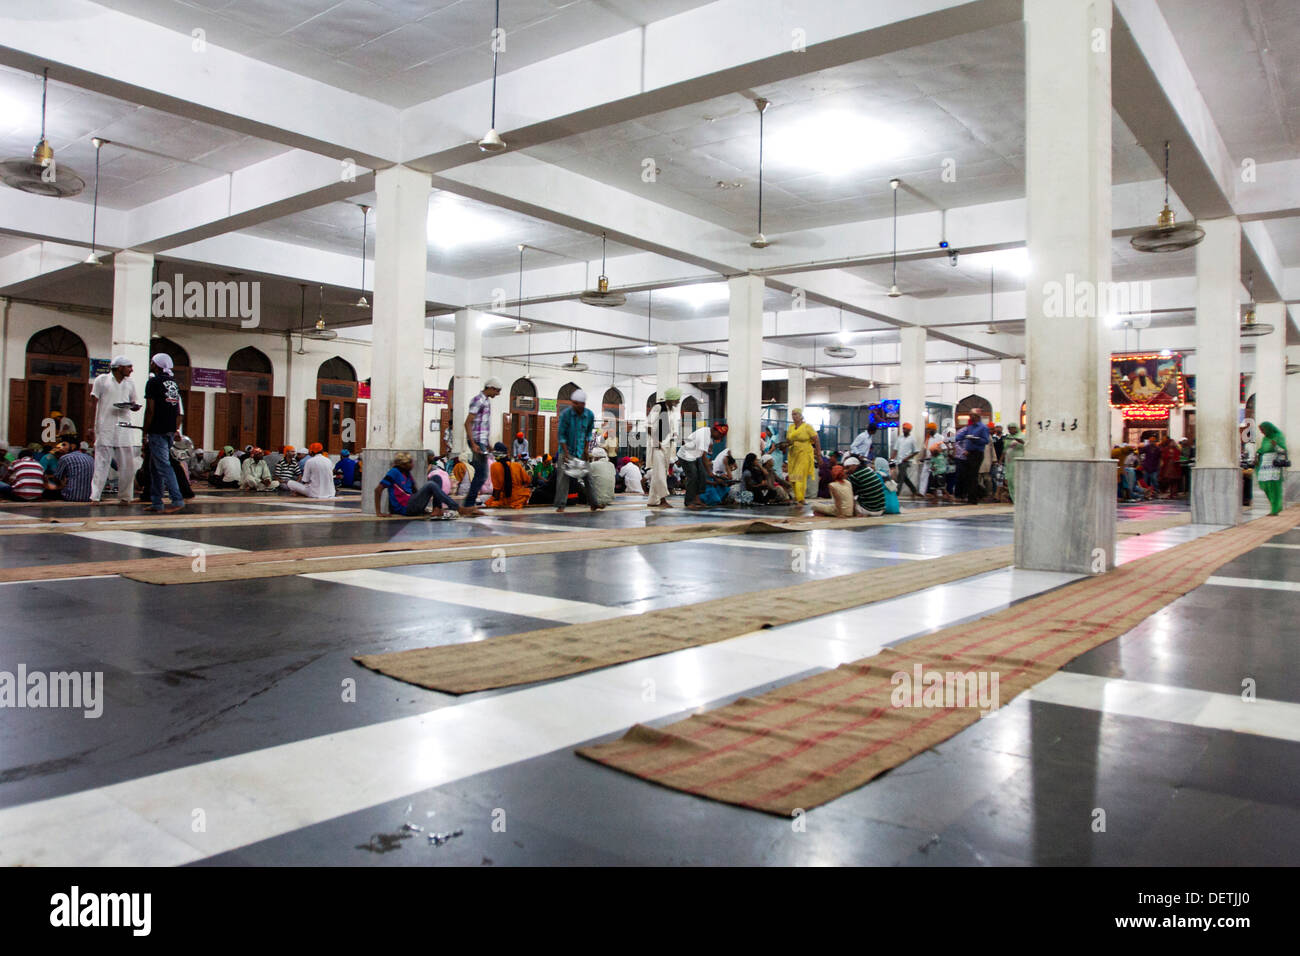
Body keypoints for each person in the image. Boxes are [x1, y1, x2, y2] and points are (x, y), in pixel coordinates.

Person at [87, 355, 141, 505]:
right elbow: (93, 403)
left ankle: (125, 496)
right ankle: (95, 496)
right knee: (101, 463)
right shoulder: (102, 380)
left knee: (128, 465)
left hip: (124, 427)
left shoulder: (130, 383)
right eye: (129, 366)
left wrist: (134, 407)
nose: (131, 370)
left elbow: (133, 403)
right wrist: (91, 426)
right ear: (119, 368)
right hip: (105, 426)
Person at [376, 451, 481, 518]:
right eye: (410, 463)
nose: (412, 465)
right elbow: (378, 490)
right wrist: (379, 512)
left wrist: (421, 502)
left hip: (412, 504)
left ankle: (437, 508)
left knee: (436, 478)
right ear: (403, 464)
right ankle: (458, 508)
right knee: (430, 484)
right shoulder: (394, 472)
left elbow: (415, 491)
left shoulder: (406, 473)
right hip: (404, 508)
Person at [142, 352, 186, 514]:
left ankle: (177, 500)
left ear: (156, 365)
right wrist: (175, 429)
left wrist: (144, 432)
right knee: (155, 467)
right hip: (169, 429)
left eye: (152, 362)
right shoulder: (173, 383)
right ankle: (156, 501)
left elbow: (150, 410)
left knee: (163, 466)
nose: (151, 364)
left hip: (157, 430)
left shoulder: (153, 382)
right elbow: (178, 409)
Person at [554, 388, 600, 513]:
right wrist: (566, 454)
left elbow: (588, 434)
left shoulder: (589, 415)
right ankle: (561, 505)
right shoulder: (566, 415)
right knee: (563, 478)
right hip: (566, 450)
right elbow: (561, 435)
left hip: (581, 451)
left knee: (588, 477)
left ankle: (594, 503)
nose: (573, 405)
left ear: (583, 404)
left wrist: (586, 450)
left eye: (576, 403)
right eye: (572, 402)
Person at [463, 377, 502, 507]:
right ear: (490, 388)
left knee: (481, 473)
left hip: (481, 441)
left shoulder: (486, 401)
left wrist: (488, 443)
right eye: (497, 391)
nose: (498, 394)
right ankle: (469, 504)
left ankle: (470, 502)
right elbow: (468, 423)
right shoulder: (478, 400)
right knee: (482, 473)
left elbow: (483, 424)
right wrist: (473, 443)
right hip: (477, 441)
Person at [677, 422, 728, 510]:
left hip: (695, 456)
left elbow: (704, 457)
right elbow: (704, 457)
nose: (720, 438)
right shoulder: (705, 436)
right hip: (686, 456)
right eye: (720, 435)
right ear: (716, 431)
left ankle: (697, 499)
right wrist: (710, 473)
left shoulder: (709, 435)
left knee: (702, 476)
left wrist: (710, 473)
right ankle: (688, 502)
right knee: (693, 477)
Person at [646, 387, 681, 507]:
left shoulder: (671, 411)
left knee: (660, 473)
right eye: (677, 399)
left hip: (668, 445)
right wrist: (656, 441)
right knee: (660, 473)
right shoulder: (658, 407)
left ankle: (652, 500)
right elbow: (648, 425)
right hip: (658, 444)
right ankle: (662, 500)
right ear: (671, 399)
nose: (678, 401)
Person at [785, 408, 821, 505]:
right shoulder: (791, 427)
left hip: (804, 453)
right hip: (793, 454)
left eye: (796, 414)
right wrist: (784, 445)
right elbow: (788, 441)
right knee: (793, 477)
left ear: (801, 416)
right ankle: (797, 497)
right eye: (792, 414)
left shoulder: (807, 427)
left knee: (800, 476)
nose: (794, 416)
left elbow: (816, 440)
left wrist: (818, 454)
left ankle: (801, 498)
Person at [954, 412, 990, 504]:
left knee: (973, 475)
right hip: (969, 454)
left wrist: (976, 439)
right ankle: (976, 494)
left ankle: (973, 498)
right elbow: (960, 436)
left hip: (977, 453)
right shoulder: (969, 427)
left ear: (977, 417)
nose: (971, 418)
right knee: (968, 475)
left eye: (972, 416)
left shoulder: (983, 427)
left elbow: (986, 441)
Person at [484, 441, 532, 509]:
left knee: (488, 503)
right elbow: (528, 481)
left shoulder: (495, 466)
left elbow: (496, 491)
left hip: (506, 499)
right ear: (507, 454)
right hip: (520, 497)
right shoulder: (517, 465)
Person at [1256, 422, 1288, 516]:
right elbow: (1262, 449)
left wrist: (1276, 446)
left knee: (1274, 487)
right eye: (1261, 431)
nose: (1262, 432)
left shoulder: (1278, 436)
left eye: (1263, 430)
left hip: (1274, 465)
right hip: (1265, 465)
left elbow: (1283, 450)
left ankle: (1275, 508)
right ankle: (1275, 505)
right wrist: (1257, 453)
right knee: (1265, 486)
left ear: (1268, 429)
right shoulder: (1265, 438)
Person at [895, 422, 921, 498]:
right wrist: (892, 458)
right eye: (903, 429)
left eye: (905, 429)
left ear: (909, 430)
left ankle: (896, 494)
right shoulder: (900, 438)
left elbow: (916, 451)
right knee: (904, 477)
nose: (903, 430)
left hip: (906, 461)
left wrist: (907, 458)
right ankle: (914, 491)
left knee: (900, 478)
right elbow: (895, 449)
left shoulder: (912, 439)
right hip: (899, 460)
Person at [1002, 424, 1025, 503]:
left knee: (1017, 479)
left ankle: (1020, 499)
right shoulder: (1008, 437)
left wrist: (1018, 440)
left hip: (1018, 459)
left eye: (1012, 429)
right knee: (1010, 480)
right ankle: (1013, 498)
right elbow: (1005, 449)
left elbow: (1025, 444)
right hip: (1009, 461)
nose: (1010, 430)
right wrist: (1001, 459)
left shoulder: (1022, 436)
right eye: (1009, 429)